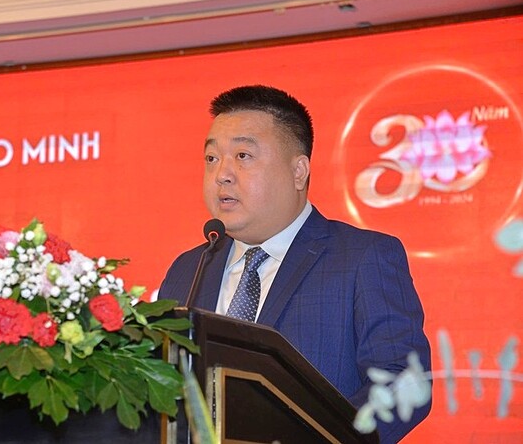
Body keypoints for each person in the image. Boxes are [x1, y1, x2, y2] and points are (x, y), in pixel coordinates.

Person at [158, 85, 431, 443]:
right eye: (211, 158)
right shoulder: (188, 270)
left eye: (242, 155)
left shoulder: (362, 257)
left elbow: (403, 381)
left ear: (299, 171)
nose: (222, 173)